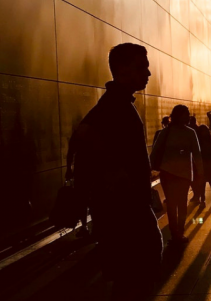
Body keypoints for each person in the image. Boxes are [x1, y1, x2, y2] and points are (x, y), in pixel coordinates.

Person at [71, 43, 160, 300]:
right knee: (135, 282)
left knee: (129, 281)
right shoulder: (115, 109)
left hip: (121, 214)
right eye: (142, 67)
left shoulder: (113, 106)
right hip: (125, 217)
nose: (148, 73)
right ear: (121, 69)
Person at [151, 105, 203, 245]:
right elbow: (197, 154)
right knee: (181, 204)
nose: (186, 117)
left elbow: (155, 152)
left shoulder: (166, 132)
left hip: (169, 173)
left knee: (173, 205)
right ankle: (179, 233)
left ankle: (176, 234)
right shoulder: (190, 133)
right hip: (183, 174)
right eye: (184, 114)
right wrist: (201, 172)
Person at [196, 125, 211, 205]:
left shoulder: (198, 142)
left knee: (202, 183)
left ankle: (203, 200)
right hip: (210, 163)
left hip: (202, 163)